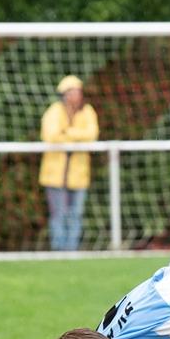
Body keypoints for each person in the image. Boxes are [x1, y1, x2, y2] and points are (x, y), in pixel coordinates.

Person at [39, 75, 99, 251]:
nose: (76, 95)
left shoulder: (87, 111)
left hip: (79, 174)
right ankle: (59, 250)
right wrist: (77, 135)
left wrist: (67, 132)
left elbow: (92, 134)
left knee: (75, 214)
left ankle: (71, 250)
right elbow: (50, 136)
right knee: (58, 214)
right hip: (55, 174)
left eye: (78, 91)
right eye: (72, 92)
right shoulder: (54, 111)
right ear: (64, 94)